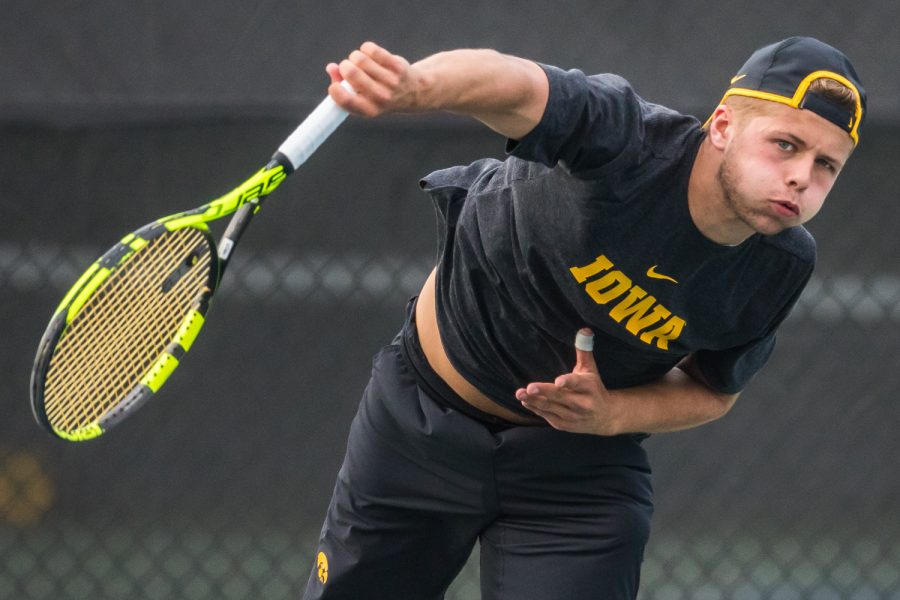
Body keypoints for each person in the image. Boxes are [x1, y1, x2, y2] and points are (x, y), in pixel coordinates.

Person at [303, 37, 866, 599]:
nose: (801, 177)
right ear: (722, 127)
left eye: (826, 165)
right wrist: (417, 86)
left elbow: (713, 391)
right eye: (785, 145)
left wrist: (611, 412)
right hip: (420, 424)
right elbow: (518, 84)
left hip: (576, 473)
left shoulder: (779, 266)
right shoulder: (626, 140)